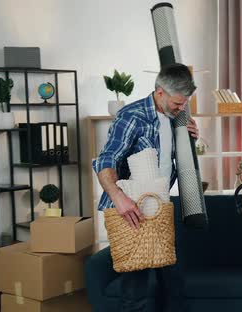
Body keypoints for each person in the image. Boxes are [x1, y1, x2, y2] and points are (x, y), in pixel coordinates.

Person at [92, 63, 199, 312]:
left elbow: (171, 161)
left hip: (160, 211)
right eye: (177, 103)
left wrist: (189, 136)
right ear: (160, 92)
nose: (181, 108)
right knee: (136, 292)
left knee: (174, 288)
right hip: (133, 212)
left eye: (184, 103)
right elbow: (106, 159)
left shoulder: (174, 117)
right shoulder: (132, 117)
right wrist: (118, 198)